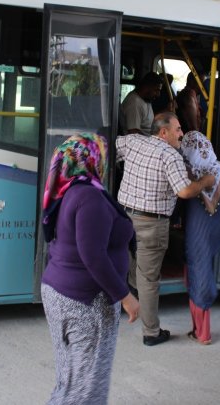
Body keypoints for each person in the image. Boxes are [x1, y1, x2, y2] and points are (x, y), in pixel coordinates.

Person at [40, 133, 140, 404]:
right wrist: (125, 296)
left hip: (61, 292)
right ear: (93, 159)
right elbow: (92, 255)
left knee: (70, 380)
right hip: (86, 302)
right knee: (86, 389)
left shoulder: (68, 191)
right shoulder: (89, 197)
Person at [116, 112, 215, 346]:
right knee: (149, 279)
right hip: (152, 223)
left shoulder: (133, 141)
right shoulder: (171, 156)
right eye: (178, 129)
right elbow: (184, 191)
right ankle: (151, 332)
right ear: (163, 132)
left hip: (124, 217)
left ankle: (133, 283)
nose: (181, 134)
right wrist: (206, 182)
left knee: (132, 261)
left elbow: (111, 146)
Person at [180, 130, 220, 345]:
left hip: (200, 231)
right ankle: (199, 329)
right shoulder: (219, 169)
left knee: (199, 274)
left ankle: (203, 333)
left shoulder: (188, 174)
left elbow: (180, 199)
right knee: (204, 269)